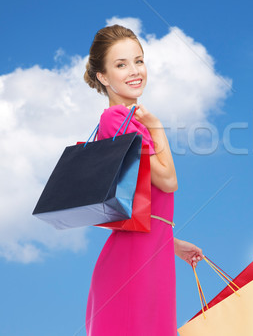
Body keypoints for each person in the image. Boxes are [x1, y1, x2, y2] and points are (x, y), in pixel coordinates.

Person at [83, 24, 203, 335]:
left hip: (150, 253)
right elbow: (168, 181)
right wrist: (158, 127)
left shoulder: (132, 121)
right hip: (134, 264)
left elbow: (138, 204)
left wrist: (170, 244)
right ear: (103, 77)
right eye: (121, 64)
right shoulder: (116, 120)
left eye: (138, 60)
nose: (135, 71)